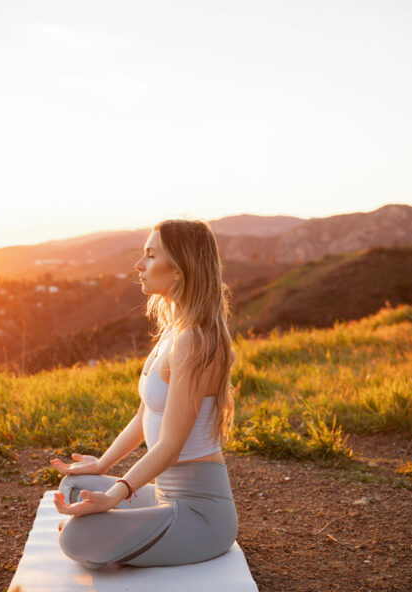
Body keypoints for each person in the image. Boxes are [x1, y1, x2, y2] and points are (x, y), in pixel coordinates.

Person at [48, 219, 239, 569]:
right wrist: (102, 465)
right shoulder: (173, 332)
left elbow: (169, 445)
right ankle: (112, 534)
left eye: (150, 256)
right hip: (164, 496)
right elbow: (143, 416)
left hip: (201, 515)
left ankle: (101, 536)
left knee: (77, 538)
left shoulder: (194, 341)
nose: (139, 265)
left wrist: (113, 496)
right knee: (75, 486)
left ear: (180, 270)